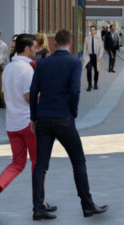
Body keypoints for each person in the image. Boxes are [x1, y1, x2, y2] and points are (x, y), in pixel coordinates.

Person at [29, 29, 108, 219]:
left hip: (44, 119)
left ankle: (38, 208)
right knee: (78, 161)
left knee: (41, 165)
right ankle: (87, 205)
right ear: (71, 43)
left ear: (55, 43)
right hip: (64, 118)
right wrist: (73, 112)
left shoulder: (43, 63)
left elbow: (33, 92)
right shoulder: (74, 62)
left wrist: (34, 118)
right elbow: (75, 91)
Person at [0, 34, 50, 216]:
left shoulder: (9, 68)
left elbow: (6, 94)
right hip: (28, 124)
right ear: (27, 49)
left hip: (11, 124)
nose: (37, 51)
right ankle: (40, 204)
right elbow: (29, 97)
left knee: (17, 163)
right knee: (38, 164)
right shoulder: (27, 69)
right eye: (35, 48)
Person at [81, 27, 103, 92]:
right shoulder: (87, 38)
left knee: (96, 71)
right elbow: (85, 48)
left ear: (96, 31)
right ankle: (89, 85)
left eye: (94, 30)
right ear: (90, 31)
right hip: (89, 57)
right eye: (91, 30)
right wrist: (84, 58)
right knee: (88, 70)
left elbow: (101, 48)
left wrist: (100, 55)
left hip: (96, 57)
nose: (92, 31)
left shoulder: (99, 38)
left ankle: (95, 83)